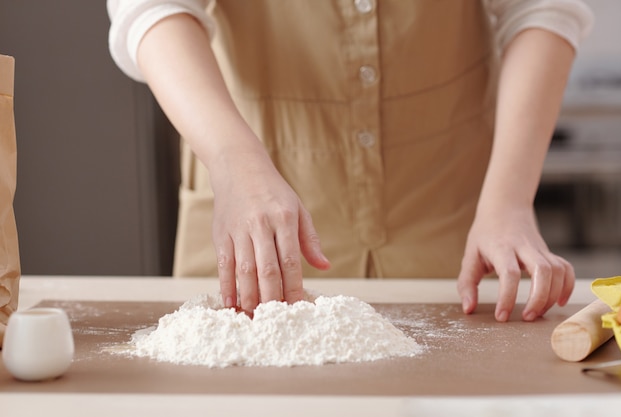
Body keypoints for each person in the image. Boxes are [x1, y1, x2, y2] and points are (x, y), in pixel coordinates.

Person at [107, 0, 593, 321]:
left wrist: (509, 199)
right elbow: (151, 8)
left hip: (455, 223)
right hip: (249, 216)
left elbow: (542, 7)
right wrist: (232, 158)